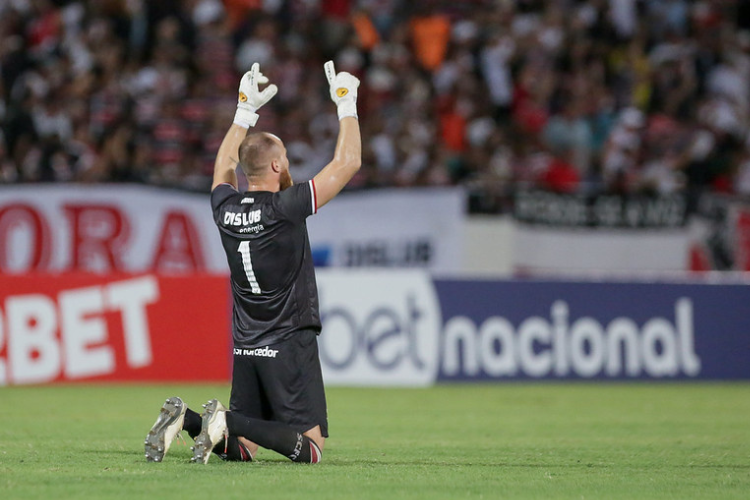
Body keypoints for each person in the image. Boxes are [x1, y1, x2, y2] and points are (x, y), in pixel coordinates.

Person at [144, 61, 361, 464]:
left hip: (246, 340)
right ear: (277, 166)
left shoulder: (223, 206)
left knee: (242, 450)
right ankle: (226, 419)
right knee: (310, 450)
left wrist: (244, 112)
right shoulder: (286, 207)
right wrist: (346, 104)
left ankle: (188, 419)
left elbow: (223, 165)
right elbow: (347, 165)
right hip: (289, 340)